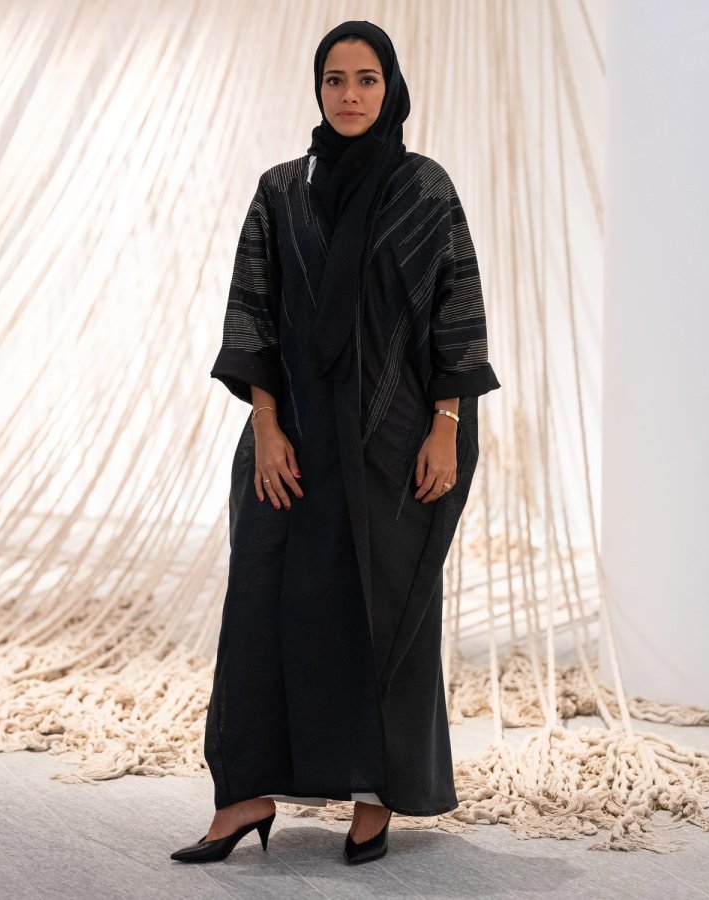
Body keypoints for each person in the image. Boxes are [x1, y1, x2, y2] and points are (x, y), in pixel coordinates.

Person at [171, 20, 501, 866]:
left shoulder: (424, 191)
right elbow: (252, 311)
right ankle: (244, 794)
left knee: (383, 611)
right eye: (334, 80)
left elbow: (457, 312)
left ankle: (375, 792)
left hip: (397, 442)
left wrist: (446, 428)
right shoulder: (281, 191)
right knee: (263, 603)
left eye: (366, 79)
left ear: (391, 87)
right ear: (317, 89)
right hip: (293, 440)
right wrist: (266, 425)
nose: (349, 95)